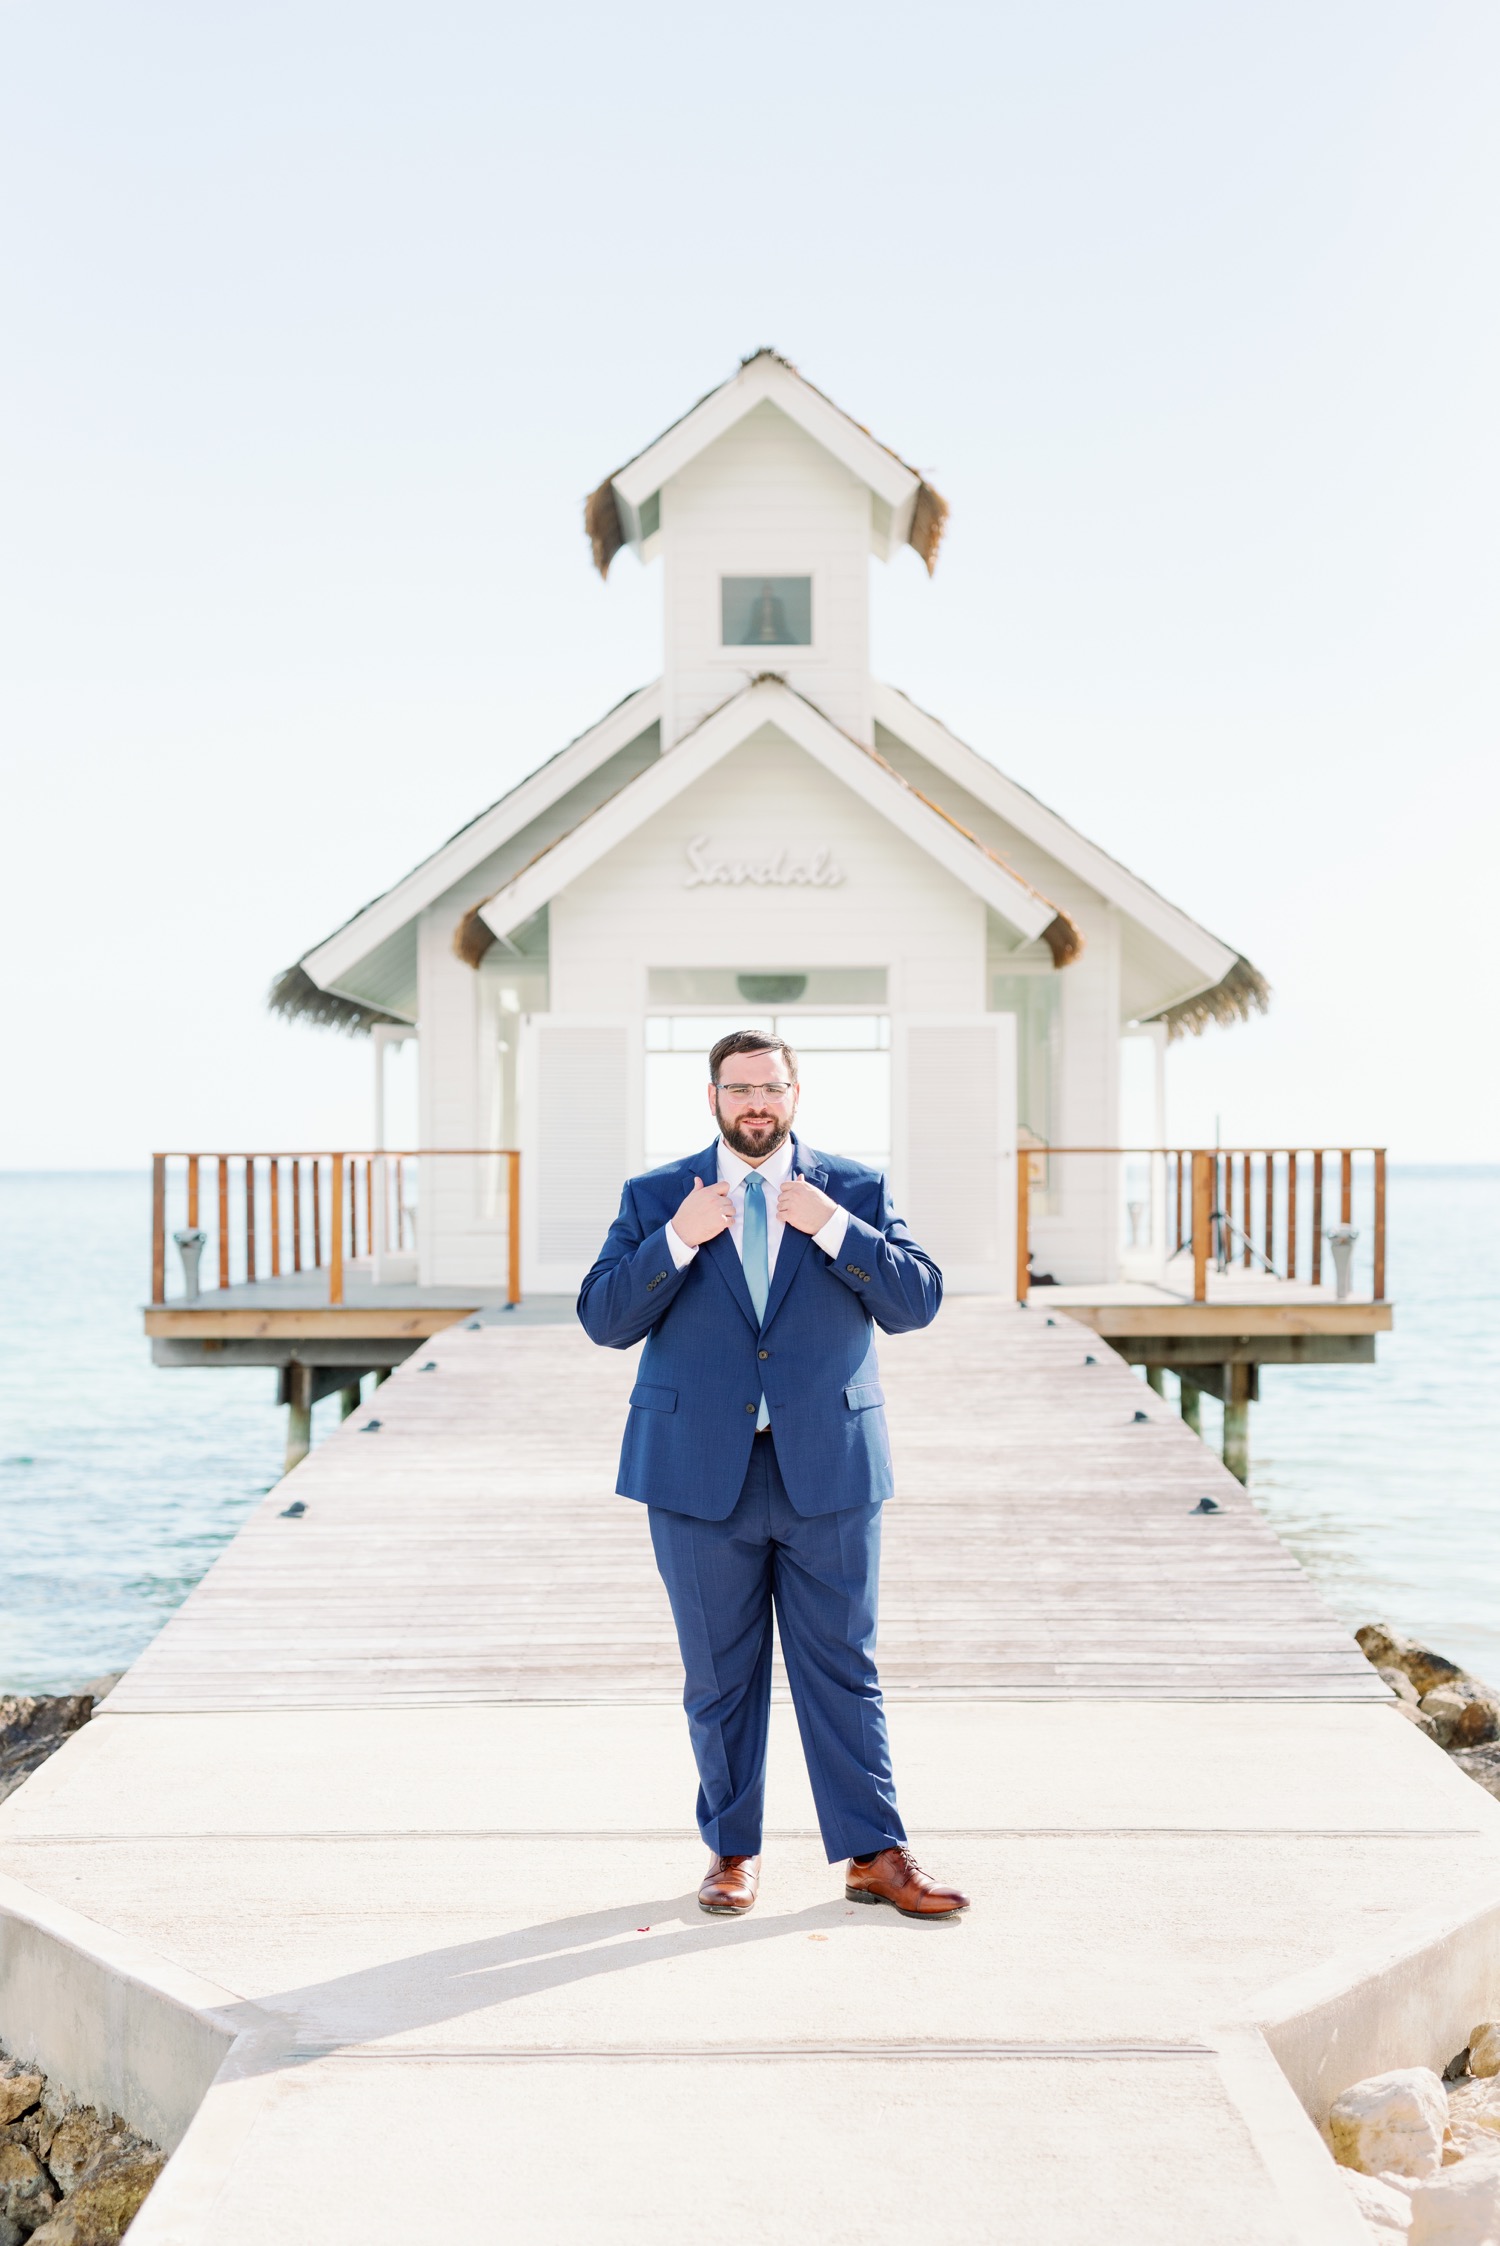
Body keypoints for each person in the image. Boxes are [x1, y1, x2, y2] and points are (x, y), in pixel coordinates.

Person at [577, 1029, 969, 1923]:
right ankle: (732, 1851)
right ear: (711, 1097)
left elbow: (915, 1302)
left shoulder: (855, 1190)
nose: (757, 1102)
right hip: (696, 1475)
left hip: (827, 1467)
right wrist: (675, 1240)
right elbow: (603, 1318)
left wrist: (829, 1227)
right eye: (739, 1088)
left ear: (798, 1093)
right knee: (719, 1677)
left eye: (771, 1087)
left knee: (844, 1667)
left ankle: (874, 1855)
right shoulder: (655, 1197)